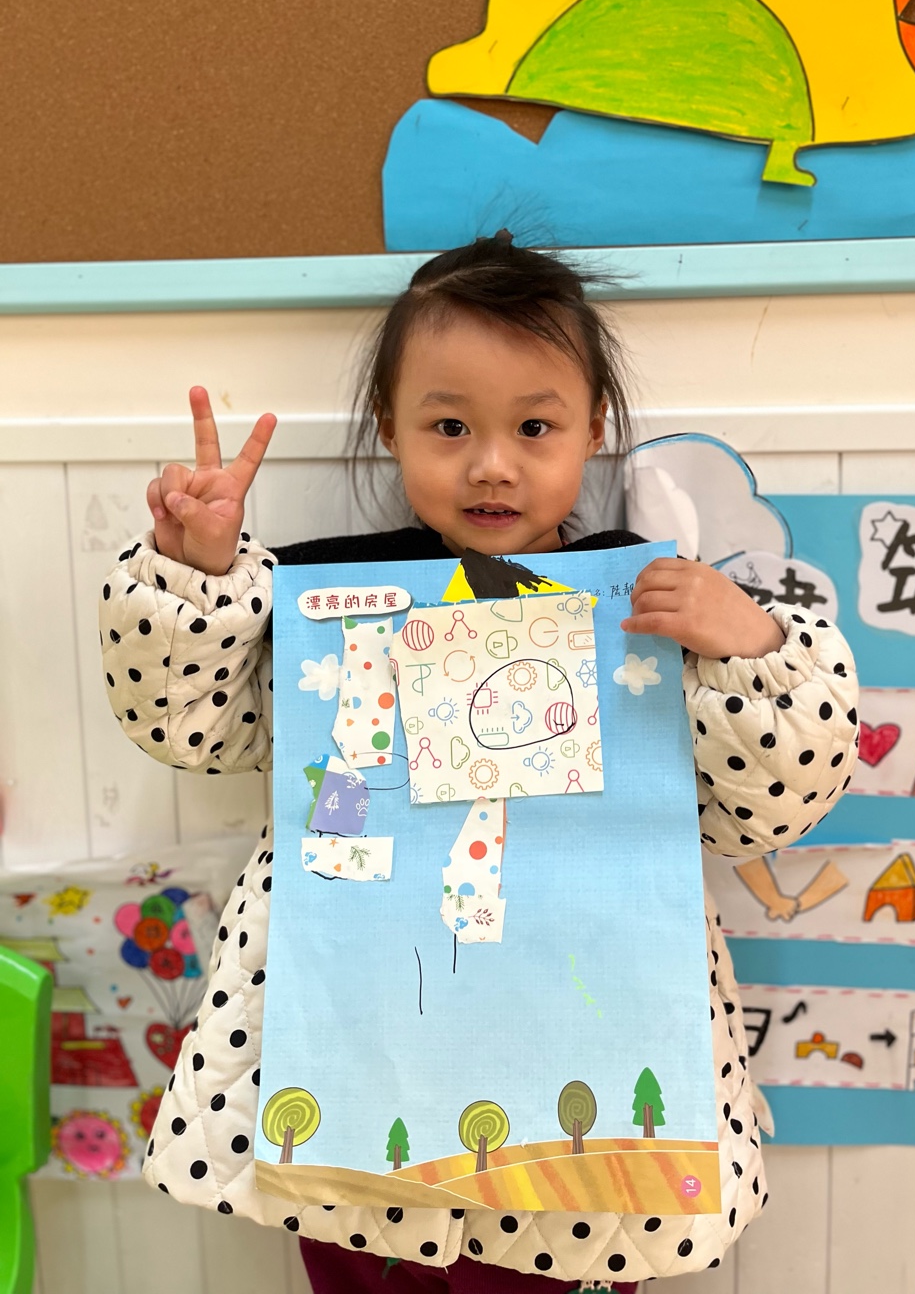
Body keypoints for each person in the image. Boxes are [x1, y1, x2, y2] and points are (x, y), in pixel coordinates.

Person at [99, 234, 859, 1291]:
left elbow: (771, 808)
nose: (492, 463)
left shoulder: (654, 608)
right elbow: (190, 725)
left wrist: (754, 648)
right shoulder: (328, 602)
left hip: (586, 1074)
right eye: (450, 425)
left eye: (534, 426)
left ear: (594, 428)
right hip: (359, 1056)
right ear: (390, 427)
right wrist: (198, 578)